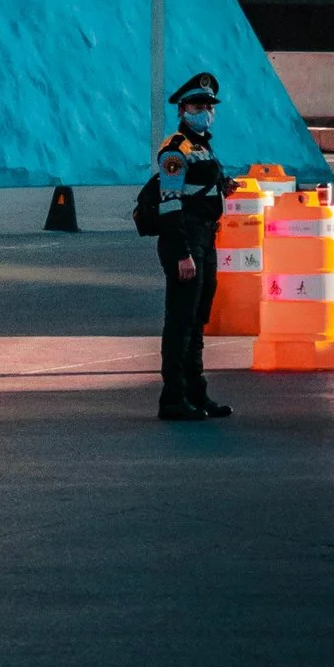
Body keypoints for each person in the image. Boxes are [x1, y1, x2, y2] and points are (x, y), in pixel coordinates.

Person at [133, 71, 231, 423]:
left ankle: (196, 393)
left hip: (206, 237)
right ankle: (173, 398)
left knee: (198, 318)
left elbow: (202, 187)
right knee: (181, 321)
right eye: (196, 105)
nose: (204, 110)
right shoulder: (175, 149)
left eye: (208, 105)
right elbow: (171, 203)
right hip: (185, 240)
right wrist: (182, 253)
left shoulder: (203, 146)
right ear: (181, 109)